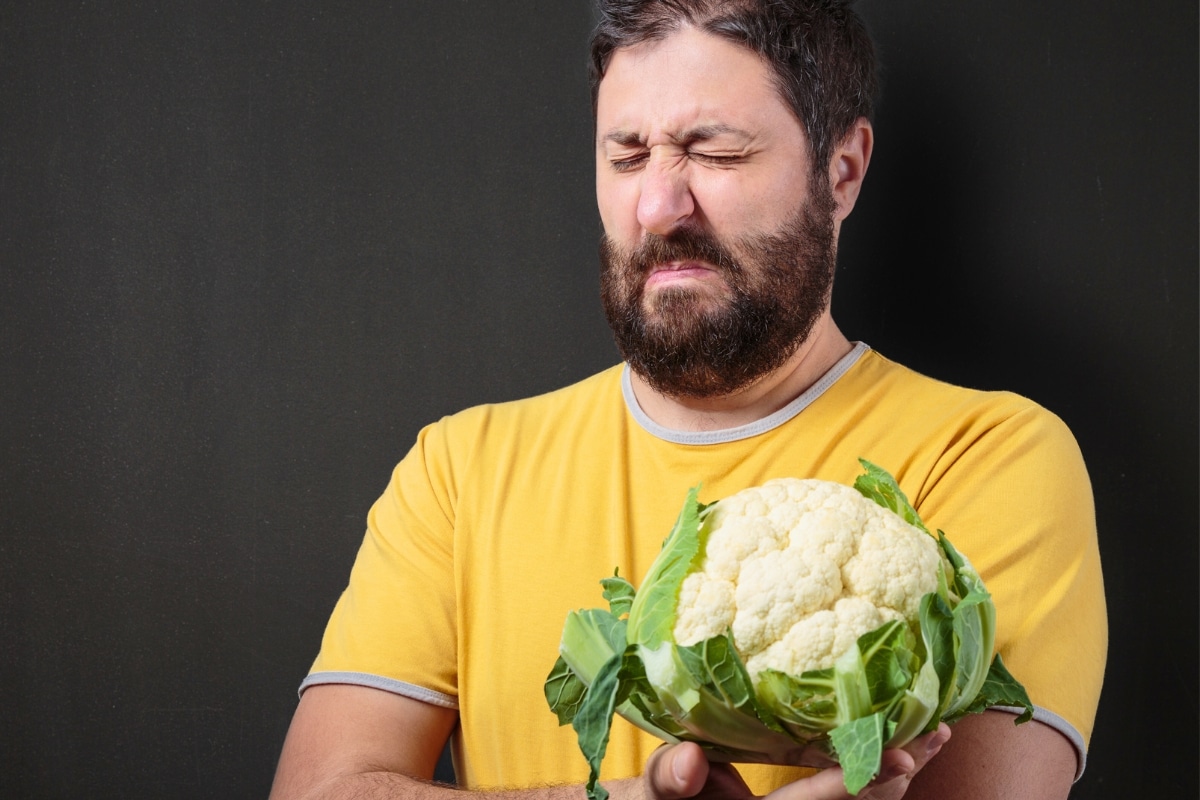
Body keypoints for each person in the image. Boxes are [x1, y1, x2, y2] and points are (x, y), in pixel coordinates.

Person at [269, 1, 1107, 798]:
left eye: (714, 152)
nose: (659, 206)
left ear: (842, 171)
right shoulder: (460, 471)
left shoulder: (989, 454)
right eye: (627, 156)